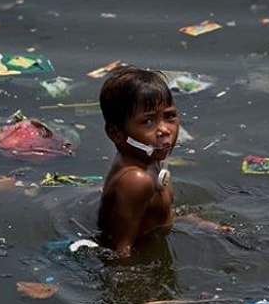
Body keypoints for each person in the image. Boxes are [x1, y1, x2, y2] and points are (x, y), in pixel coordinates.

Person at [97, 67, 231, 257]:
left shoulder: (151, 160)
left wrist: (196, 223)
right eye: (147, 122)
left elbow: (154, 216)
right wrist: (134, 284)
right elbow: (120, 249)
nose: (164, 130)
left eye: (169, 117)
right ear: (116, 134)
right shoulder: (136, 180)